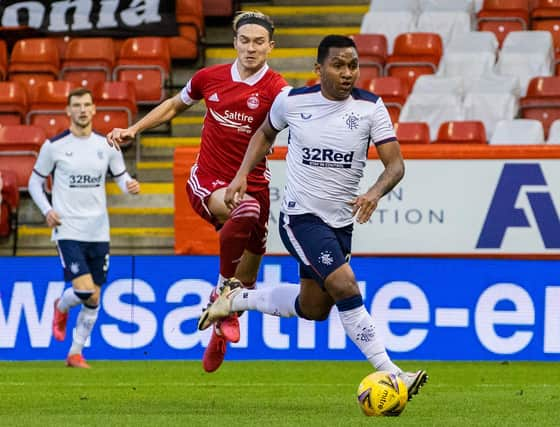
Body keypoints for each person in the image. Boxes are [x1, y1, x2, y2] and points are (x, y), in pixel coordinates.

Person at [199, 35, 428, 399]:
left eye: (353, 65)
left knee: (315, 307)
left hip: (340, 225)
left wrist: (373, 192)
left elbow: (395, 165)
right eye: (338, 65)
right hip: (301, 219)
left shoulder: (371, 107)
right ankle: (394, 373)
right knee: (345, 286)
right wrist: (242, 174)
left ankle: (236, 300)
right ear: (319, 69)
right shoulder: (291, 101)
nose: (348, 72)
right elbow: (264, 133)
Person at [106, 11, 288, 372]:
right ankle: (221, 290)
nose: (251, 48)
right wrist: (134, 129)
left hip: (255, 184)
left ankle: (221, 327)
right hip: (208, 182)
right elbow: (175, 105)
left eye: (258, 42)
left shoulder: (278, 91)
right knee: (245, 211)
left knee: (248, 281)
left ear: (271, 46)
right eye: (244, 40)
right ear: (234, 42)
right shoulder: (210, 77)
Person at [28, 87, 140, 368]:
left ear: (94, 110)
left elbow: (121, 177)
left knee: (94, 296)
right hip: (68, 229)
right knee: (83, 289)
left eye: (86, 104)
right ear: (68, 111)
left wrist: (129, 186)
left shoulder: (106, 145)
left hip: (99, 230)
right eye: (76, 105)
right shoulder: (53, 146)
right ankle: (61, 306)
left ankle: (75, 352)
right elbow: (34, 182)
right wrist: (47, 210)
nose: (81, 109)